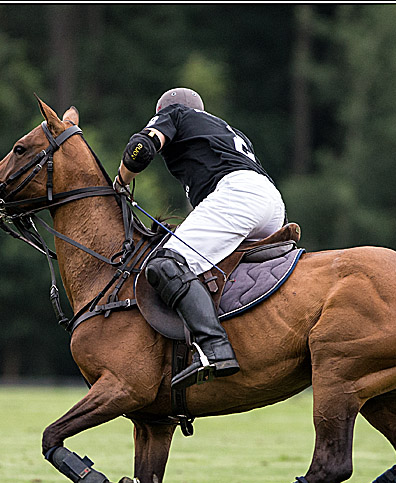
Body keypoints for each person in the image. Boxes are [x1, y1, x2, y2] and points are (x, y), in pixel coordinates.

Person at [114, 87, 286, 390]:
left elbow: (141, 148)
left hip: (239, 196)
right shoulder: (227, 131)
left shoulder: (175, 113)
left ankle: (214, 348)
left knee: (165, 265)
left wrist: (121, 180)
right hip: (271, 203)